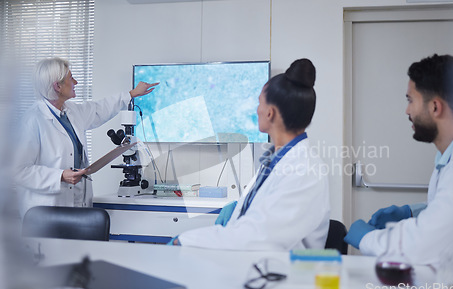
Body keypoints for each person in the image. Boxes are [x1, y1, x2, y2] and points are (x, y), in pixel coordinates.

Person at [344, 54, 453, 270]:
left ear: (435, 107)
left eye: (410, 100)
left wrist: (366, 238)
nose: (407, 110)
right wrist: (412, 211)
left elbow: (420, 246)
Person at [170, 58, 331, 250]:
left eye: (259, 103)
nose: (257, 110)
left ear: (270, 113)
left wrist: (185, 240)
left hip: (283, 273)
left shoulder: (304, 169)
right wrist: (241, 206)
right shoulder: (276, 161)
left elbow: (257, 237)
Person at [13, 57, 158, 219]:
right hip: (45, 211)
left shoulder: (71, 112)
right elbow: (18, 170)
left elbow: (99, 109)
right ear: (58, 86)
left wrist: (132, 94)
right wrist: (59, 176)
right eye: (71, 78)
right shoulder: (32, 120)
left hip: (76, 203)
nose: (75, 82)